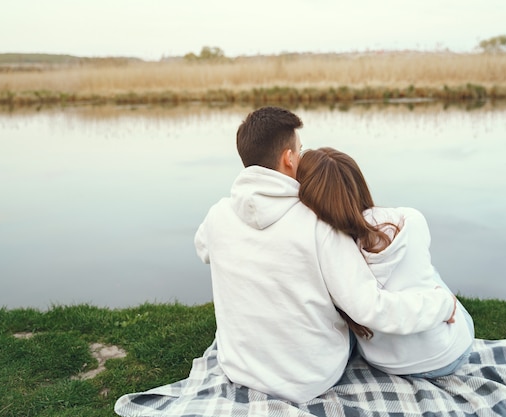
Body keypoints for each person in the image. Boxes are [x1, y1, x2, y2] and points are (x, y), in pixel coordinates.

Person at [194, 106, 457, 403]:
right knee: (427, 280)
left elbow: (203, 248)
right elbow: (370, 308)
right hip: (308, 377)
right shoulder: (317, 224)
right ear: (288, 158)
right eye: (300, 149)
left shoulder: (218, 215)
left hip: (240, 366)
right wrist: (440, 307)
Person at [296, 147, 475, 378]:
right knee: (430, 274)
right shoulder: (411, 219)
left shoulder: (328, 248)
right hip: (447, 354)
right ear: (358, 183)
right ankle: (447, 303)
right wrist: (444, 304)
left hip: (385, 361)